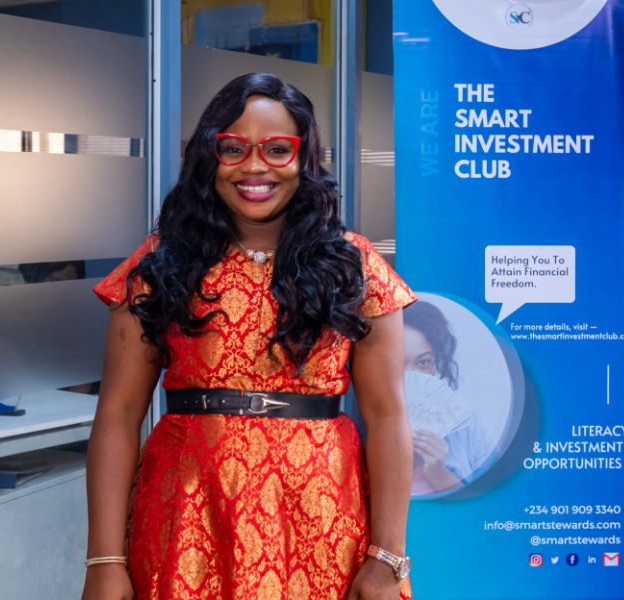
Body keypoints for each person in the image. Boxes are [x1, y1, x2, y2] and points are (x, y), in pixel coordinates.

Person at [82, 72, 417, 600]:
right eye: (233, 148)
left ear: (304, 159)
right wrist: (104, 561)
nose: (255, 167)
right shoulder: (159, 266)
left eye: (277, 149)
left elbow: (388, 417)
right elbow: (119, 416)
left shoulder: (354, 267)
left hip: (323, 521)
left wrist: (387, 558)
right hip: (187, 518)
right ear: (207, 156)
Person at [403, 301, 494, 494]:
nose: (411, 376)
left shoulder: (472, 428)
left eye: (423, 362)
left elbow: (492, 502)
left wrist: (440, 475)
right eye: (397, 362)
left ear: (437, 364)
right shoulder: (359, 427)